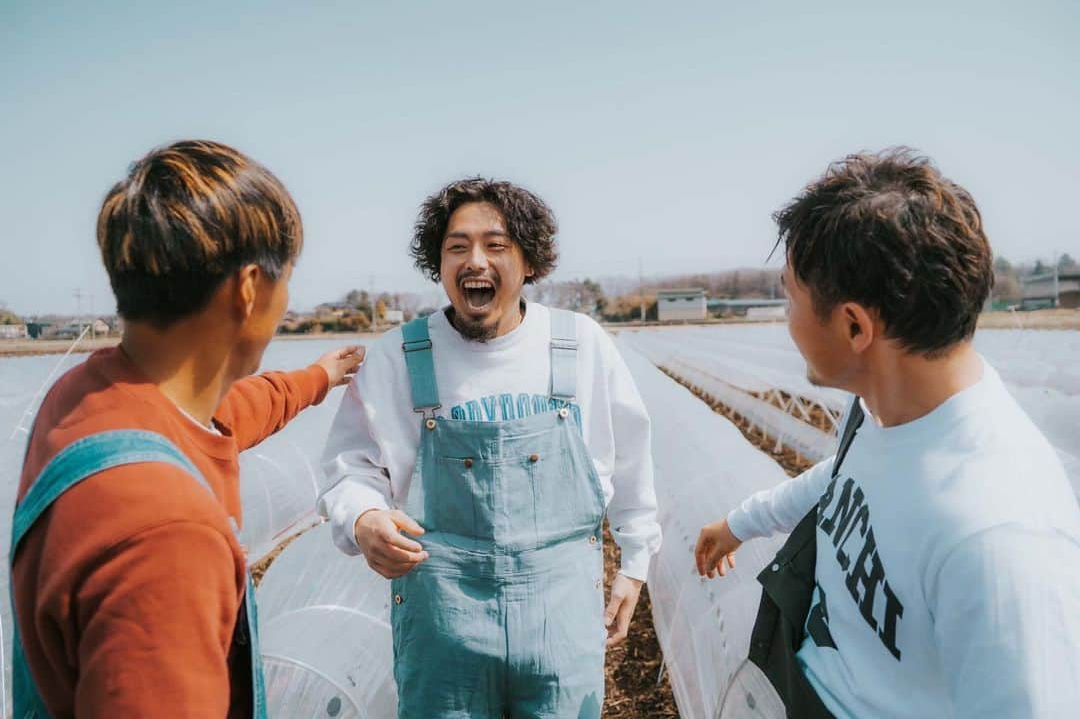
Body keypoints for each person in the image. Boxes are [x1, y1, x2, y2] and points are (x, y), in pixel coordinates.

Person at [695, 149, 1080, 717]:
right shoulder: (887, 414)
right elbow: (847, 479)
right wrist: (741, 523)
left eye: (790, 297)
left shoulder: (997, 538)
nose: (787, 319)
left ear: (854, 326)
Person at [12, 140, 362, 718]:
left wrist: (320, 376)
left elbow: (229, 415)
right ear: (249, 289)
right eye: (287, 280)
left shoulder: (85, 396)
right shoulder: (166, 533)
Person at [320, 177, 662, 718]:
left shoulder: (578, 344)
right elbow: (349, 468)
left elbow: (631, 459)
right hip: (442, 627)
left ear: (530, 263)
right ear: (439, 264)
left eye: (496, 245)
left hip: (561, 622)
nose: (475, 260)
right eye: (457, 247)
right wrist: (362, 517)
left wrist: (636, 559)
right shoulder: (400, 357)